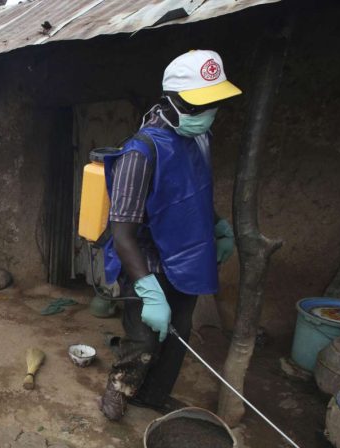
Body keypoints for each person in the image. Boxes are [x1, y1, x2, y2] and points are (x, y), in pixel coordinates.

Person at [98, 51, 240, 420]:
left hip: (190, 254)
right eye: (199, 106)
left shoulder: (199, 138)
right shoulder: (140, 153)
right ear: (172, 100)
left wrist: (218, 225)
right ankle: (119, 388)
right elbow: (123, 233)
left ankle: (153, 397)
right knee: (144, 337)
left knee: (178, 335)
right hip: (146, 258)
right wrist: (147, 288)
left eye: (213, 103)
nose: (208, 113)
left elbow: (194, 192)